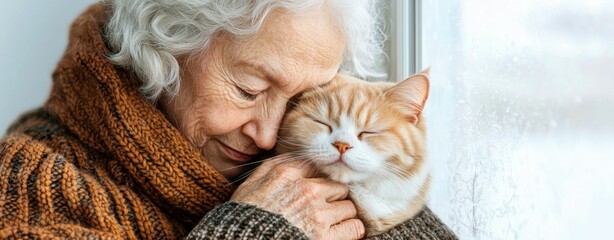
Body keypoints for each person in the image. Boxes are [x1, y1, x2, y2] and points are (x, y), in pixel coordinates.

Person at [0, 1, 456, 239]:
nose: (270, 134)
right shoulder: (30, 178)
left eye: (300, 100)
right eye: (248, 91)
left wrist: (384, 189)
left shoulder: (301, 161)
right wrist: (255, 230)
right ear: (165, 47)